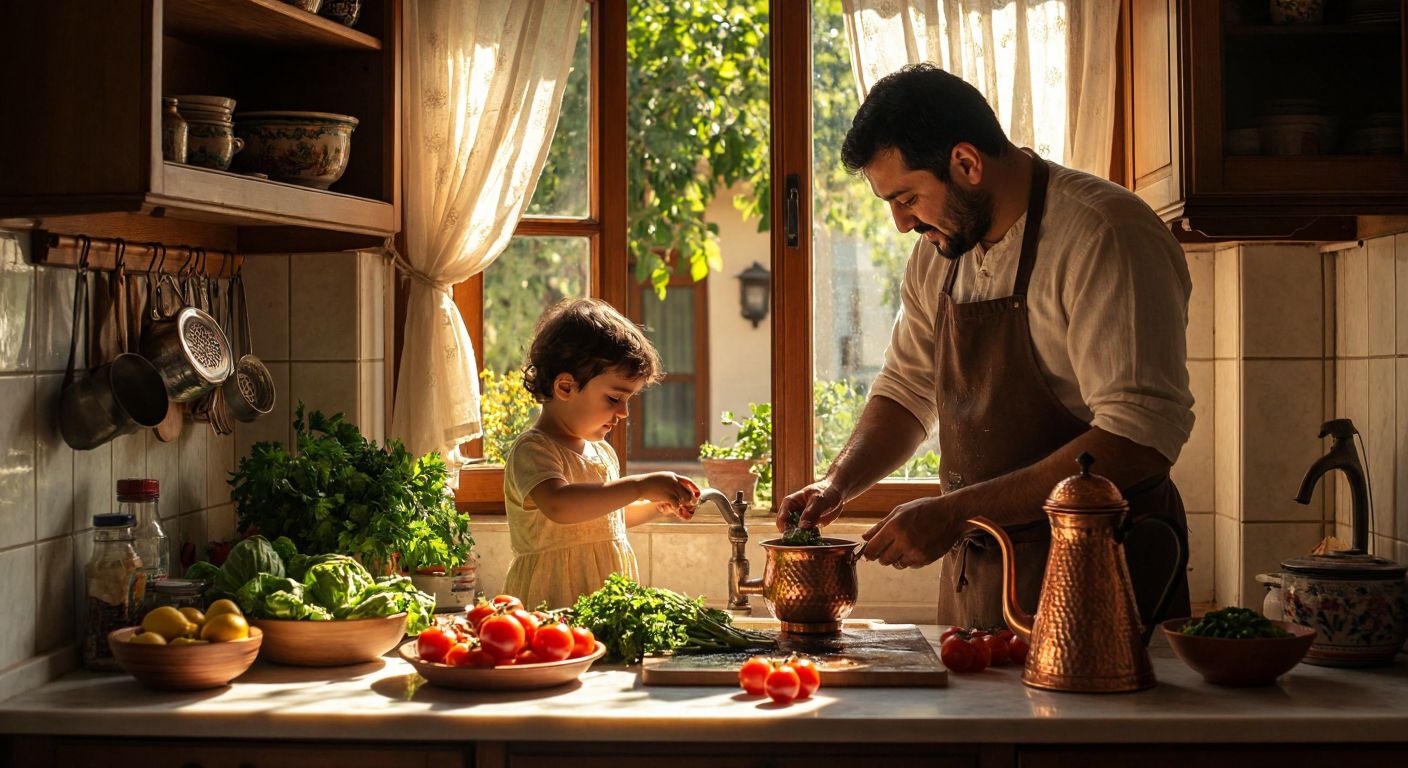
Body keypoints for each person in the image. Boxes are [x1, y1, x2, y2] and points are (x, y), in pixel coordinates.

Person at [779, 64, 1194, 630]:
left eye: (907, 198)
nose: (902, 224)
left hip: (1101, 575)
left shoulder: (1105, 234)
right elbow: (906, 392)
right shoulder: (939, 253)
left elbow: (1139, 438)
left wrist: (956, 510)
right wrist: (838, 483)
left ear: (967, 164)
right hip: (982, 584)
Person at [504, 298, 700, 610]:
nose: (623, 412)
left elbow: (609, 516)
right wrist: (639, 486)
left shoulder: (603, 453)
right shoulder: (534, 449)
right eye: (614, 398)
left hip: (606, 605)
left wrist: (655, 504)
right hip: (551, 607)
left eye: (628, 400)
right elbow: (561, 506)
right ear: (566, 387)